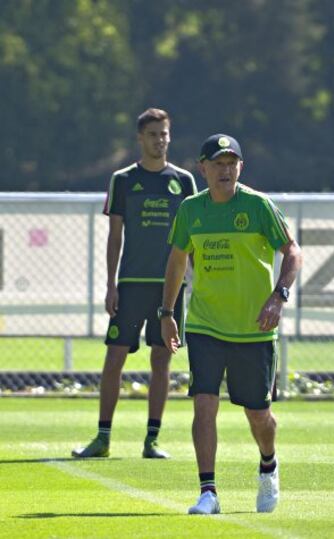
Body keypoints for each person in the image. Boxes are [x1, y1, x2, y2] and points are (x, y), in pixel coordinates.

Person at [159, 134, 302, 513]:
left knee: (259, 415)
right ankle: (209, 492)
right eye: (218, 163)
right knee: (204, 404)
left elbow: (292, 251)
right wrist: (168, 313)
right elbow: (176, 262)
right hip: (205, 325)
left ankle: (268, 464)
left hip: (254, 328)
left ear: (241, 167)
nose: (226, 170)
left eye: (232, 163)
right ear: (202, 168)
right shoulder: (191, 210)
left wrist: (278, 295)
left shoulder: (258, 207)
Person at [72, 108, 197, 459]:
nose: (160, 140)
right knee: (114, 359)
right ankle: (102, 438)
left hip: (169, 288)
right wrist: (111, 284)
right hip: (130, 285)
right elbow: (115, 237)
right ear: (140, 139)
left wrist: (192, 279)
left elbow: (192, 236)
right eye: (154, 134)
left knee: (162, 361)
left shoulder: (184, 182)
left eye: (165, 134)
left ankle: (152, 440)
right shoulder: (123, 180)